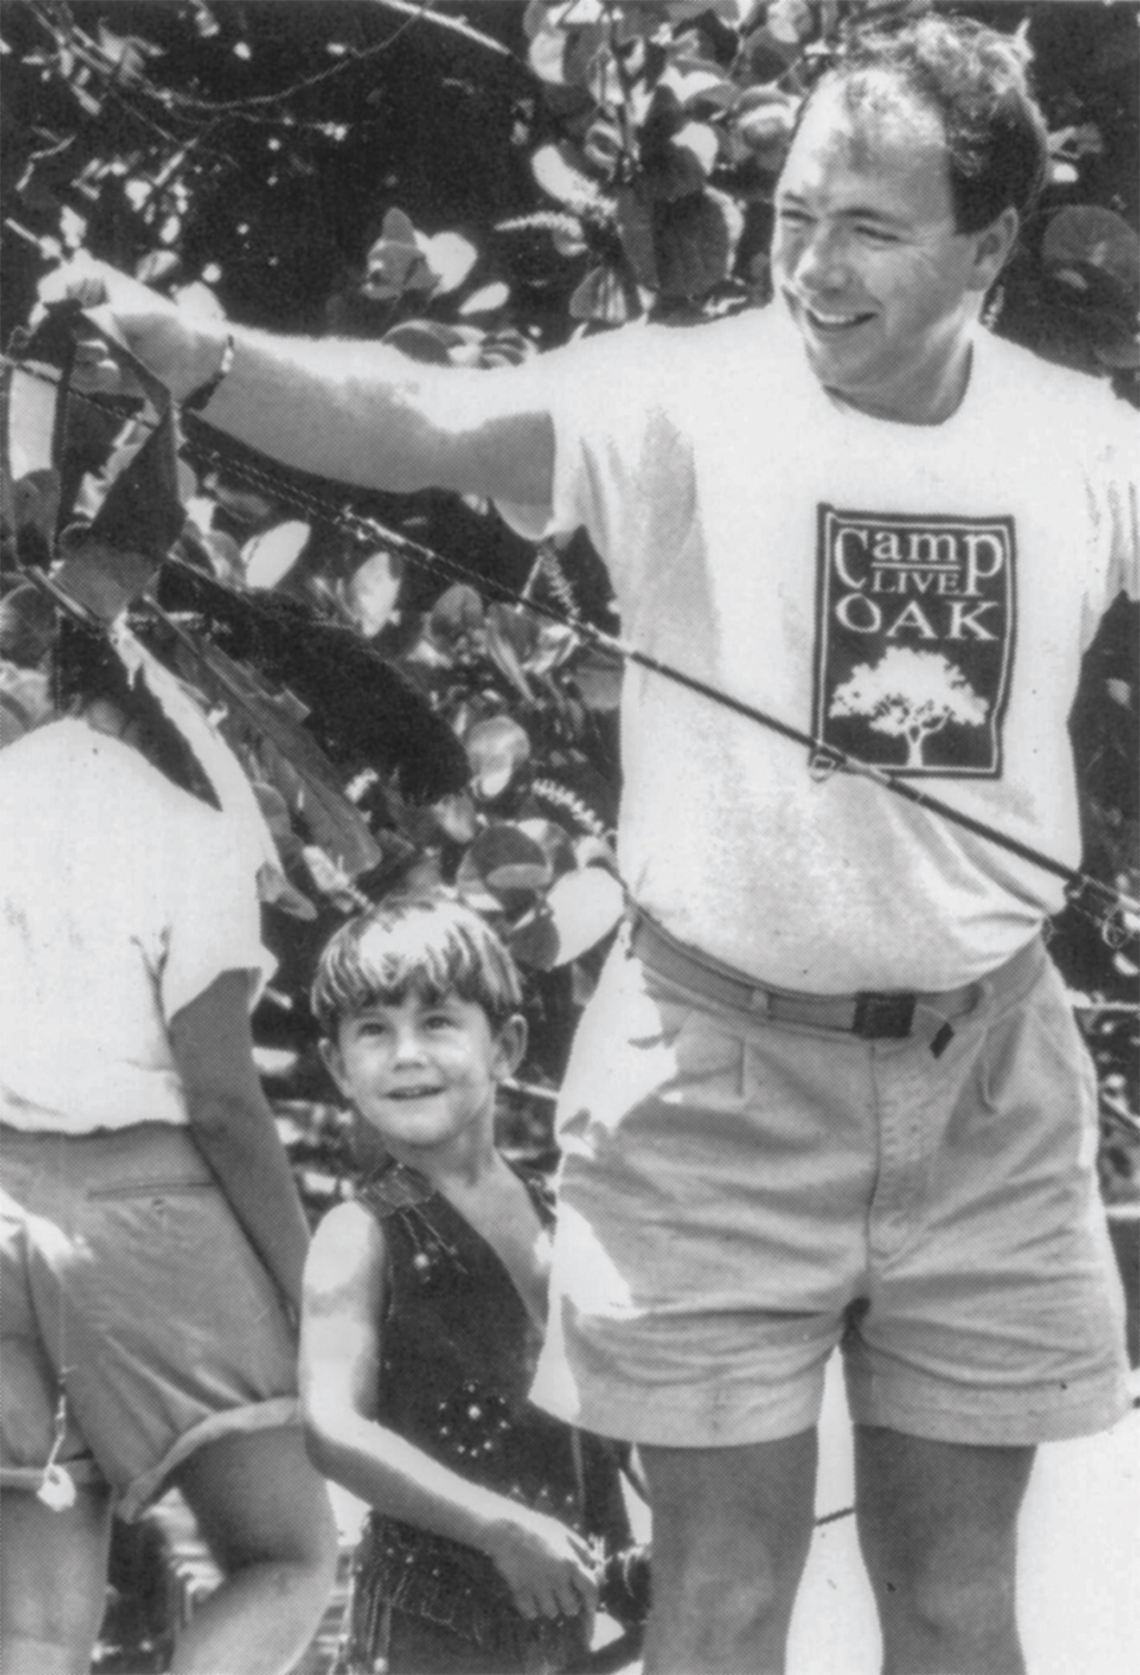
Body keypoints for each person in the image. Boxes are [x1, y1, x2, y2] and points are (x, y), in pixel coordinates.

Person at [44, 12, 1137, 1671]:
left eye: (871, 229)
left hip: (989, 1081)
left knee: (956, 1597)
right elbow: (419, 416)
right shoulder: (671, 396)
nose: (813, 267)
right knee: (720, 1599)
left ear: (990, 247)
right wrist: (202, 357)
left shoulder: (1083, 439)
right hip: (716, 1077)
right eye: (793, 213)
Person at [0, 616, 338, 1675]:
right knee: (287, 1558)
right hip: (142, 1215)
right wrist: (311, 1287)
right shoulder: (189, 830)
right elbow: (224, 1101)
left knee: (33, 1630)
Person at [300, 893, 647, 1675]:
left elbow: (614, 1407)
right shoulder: (358, 1233)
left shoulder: (565, 1214)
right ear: (338, 1066)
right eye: (372, 1030)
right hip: (427, 1632)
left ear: (507, 1046)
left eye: (438, 1022)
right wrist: (500, 1529)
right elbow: (332, 1427)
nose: (406, 1053)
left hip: (567, 1622)